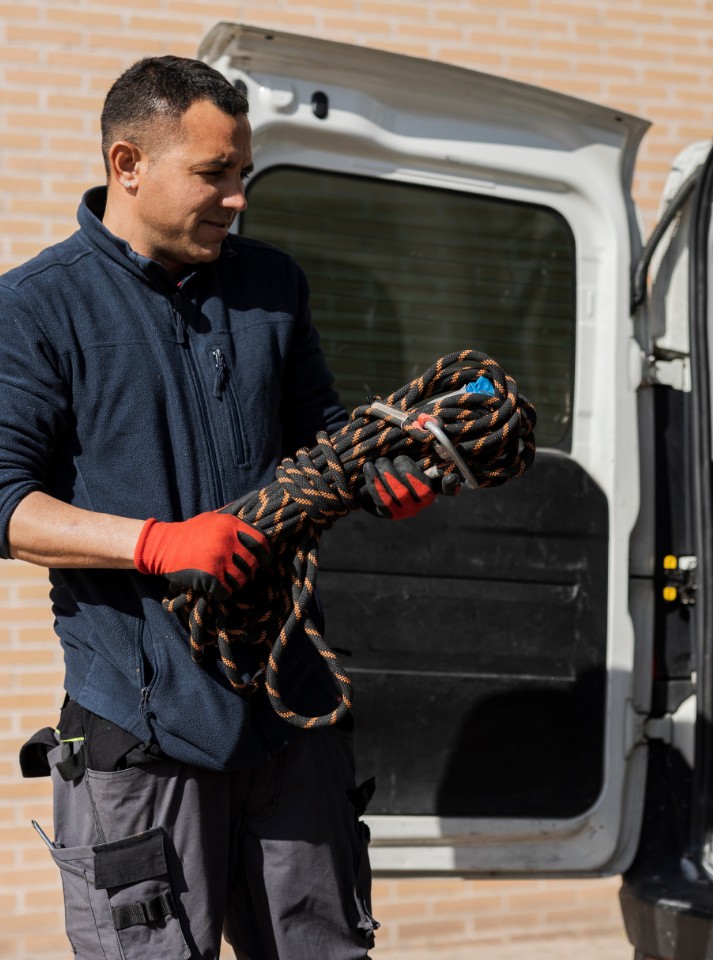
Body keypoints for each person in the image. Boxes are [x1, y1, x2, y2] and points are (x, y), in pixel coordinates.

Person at [0, 55, 440, 960]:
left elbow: (323, 439)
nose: (238, 198)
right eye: (214, 173)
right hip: (142, 728)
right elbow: (6, 504)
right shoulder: (36, 308)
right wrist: (158, 544)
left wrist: (379, 474)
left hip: (290, 713)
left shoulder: (272, 286)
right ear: (128, 165)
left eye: (243, 172)